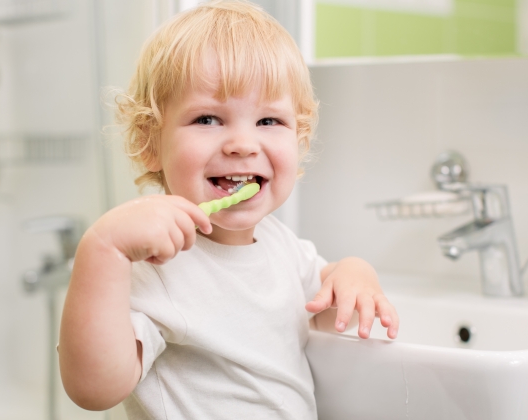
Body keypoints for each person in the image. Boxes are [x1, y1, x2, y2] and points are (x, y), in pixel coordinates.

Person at [58, 1, 399, 418]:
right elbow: (94, 389)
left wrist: (354, 273)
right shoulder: (156, 265)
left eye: (269, 121)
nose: (243, 143)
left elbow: (327, 311)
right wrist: (103, 249)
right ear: (150, 143)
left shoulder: (281, 246)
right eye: (207, 119)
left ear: (300, 137)